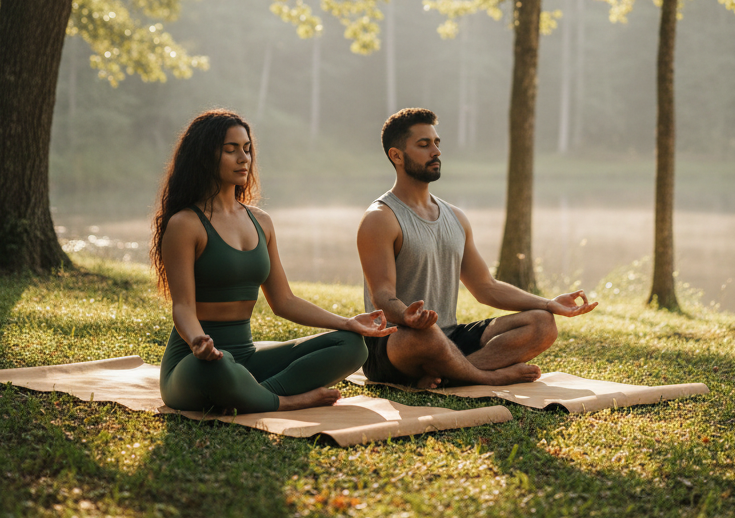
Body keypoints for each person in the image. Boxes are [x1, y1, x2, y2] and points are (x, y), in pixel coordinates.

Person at [151, 108, 394, 414]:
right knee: (222, 365)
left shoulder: (260, 221)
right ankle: (284, 400)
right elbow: (183, 307)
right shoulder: (186, 224)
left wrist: (347, 323)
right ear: (204, 156)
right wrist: (199, 340)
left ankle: (250, 394)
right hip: (195, 363)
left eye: (247, 149)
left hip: (248, 359)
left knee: (351, 345)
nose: (244, 159)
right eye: (231, 150)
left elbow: (284, 300)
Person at [357, 107, 598, 389]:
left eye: (437, 143)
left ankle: (447, 376)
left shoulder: (455, 217)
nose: (435, 151)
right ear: (396, 155)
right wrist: (407, 315)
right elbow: (382, 296)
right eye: (424, 145)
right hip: (396, 342)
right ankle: (486, 377)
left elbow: (486, 287)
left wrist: (548, 304)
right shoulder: (380, 218)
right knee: (424, 336)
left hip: (448, 336)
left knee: (542, 324)